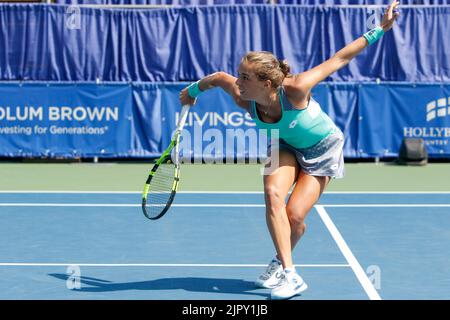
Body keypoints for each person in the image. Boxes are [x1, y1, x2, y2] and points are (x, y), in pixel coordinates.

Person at [179, 1, 399, 300]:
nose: (238, 81)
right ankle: (291, 274)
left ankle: (276, 263)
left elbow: (339, 59)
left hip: (323, 148)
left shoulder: (295, 89)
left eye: (245, 77)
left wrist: (381, 29)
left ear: (266, 83)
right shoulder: (244, 97)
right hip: (282, 144)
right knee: (272, 196)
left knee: (295, 217)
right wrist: (192, 91)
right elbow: (218, 77)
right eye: (239, 75)